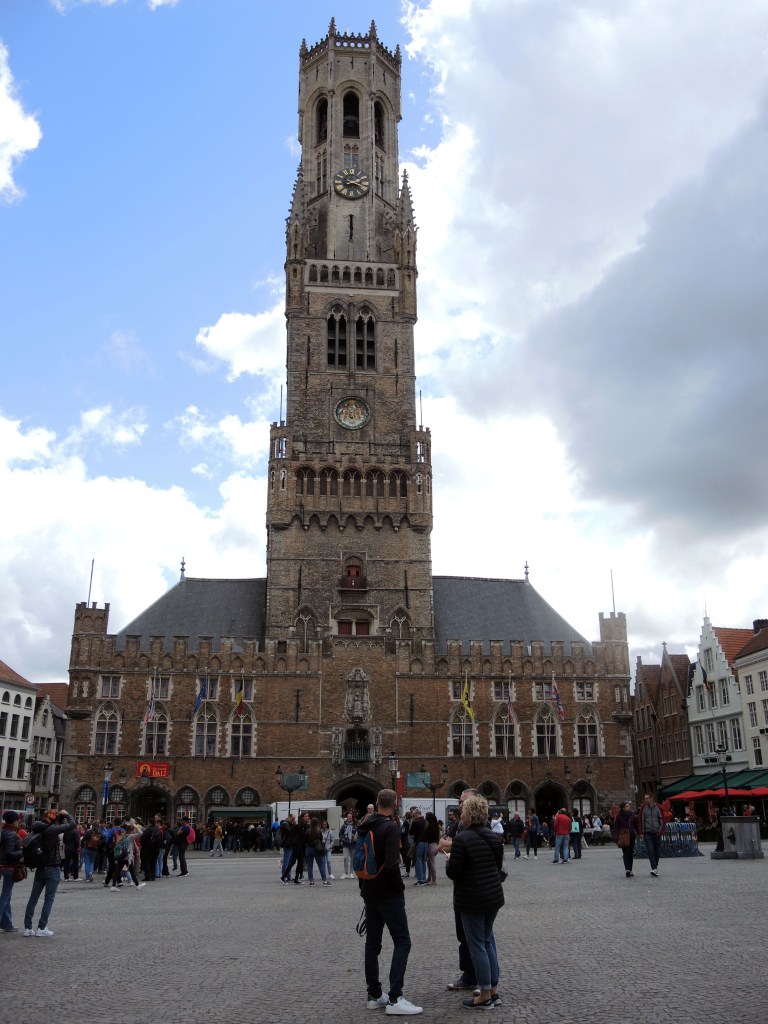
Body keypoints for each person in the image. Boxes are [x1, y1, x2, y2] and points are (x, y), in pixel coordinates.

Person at [358, 788, 422, 1015]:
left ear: (376, 803)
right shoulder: (389, 827)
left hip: (369, 892)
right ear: (395, 805)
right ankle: (395, 998)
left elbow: (362, 859)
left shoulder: (364, 826)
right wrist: (399, 888)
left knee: (372, 946)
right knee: (403, 942)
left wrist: (365, 888)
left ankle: (374, 995)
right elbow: (394, 864)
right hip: (388, 895)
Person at [445, 793, 504, 1010]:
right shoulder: (492, 837)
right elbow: (496, 866)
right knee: (487, 941)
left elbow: (454, 873)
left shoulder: (462, 839)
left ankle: (484, 996)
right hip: (493, 897)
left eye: (463, 811)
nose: (460, 814)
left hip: (472, 898)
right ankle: (494, 991)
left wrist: (451, 860)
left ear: (470, 815)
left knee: (477, 945)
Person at [437, 787, 480, 993]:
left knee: (480, 938)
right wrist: (456, 844)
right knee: (463, 935)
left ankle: (485, 980)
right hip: (461, 887)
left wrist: (455, 845)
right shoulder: (458, 824)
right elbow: (441, 844)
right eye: (460, 802)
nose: (460, 805)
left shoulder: (481, 826)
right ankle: (470, 975)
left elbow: (452, 845)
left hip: (476, 888)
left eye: (464, 802)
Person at [24, 807, 77, 937]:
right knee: (49, 899)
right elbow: (72, 824)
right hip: (52, 867)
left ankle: (28, 928)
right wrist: (67, 813)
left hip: (40, 866)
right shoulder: (53, 829)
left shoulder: (37, 827)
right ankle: (42, 928)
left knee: (33, 899)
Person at [0, 810, 24, 932]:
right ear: (14, 821)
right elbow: (10, 853)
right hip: (9, 866)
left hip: (5, 866)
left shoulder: (4, 832)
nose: (19, 821)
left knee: (7, 896)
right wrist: (22, 852)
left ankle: (7, 924)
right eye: (17, 819)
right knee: (5, 896)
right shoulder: (10, 834)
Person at [639, 794, 663, 877]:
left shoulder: (659, 807)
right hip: (647, 833)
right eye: (644, 798)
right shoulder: (643, 808)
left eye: (647, 798)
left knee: (656, 852)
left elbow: (662, 819)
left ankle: (655, 867)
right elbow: (640, 819)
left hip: (657, 833)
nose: (645, 800)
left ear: (651, 798)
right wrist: (641, 832)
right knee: (650, 851)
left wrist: (660, 831)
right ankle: (654, 868)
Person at [613, 800, 637, 878]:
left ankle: (630, 869)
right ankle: (627, 869)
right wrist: (616, 837)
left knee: (631, 853)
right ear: (623, 808)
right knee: (626, 853)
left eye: (629, 806)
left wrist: (639, 833)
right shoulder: (619, 816)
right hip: (623, 836)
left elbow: (635, 825)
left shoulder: (632, 815)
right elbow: (616, 827)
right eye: (627, 806)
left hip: (632, 835)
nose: (628, 807)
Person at [304, 817, 330, 885]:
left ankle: (311, 881)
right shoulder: (319, 832)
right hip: (317, 849)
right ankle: (324, 880)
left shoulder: (307, 831)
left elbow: (305, 841)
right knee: (321, 864)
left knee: (309, 866)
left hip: (309, 849)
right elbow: (321, 841)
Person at [409, 809, 427, 886]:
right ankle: (424, 877)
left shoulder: (415, 822)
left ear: (416, 814)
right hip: (426, 843)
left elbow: (411, 832)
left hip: (418, 843)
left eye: (413, 815)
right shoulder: (426, 821)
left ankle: (420, 880)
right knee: (423, 861)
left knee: (418, 860)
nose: (413, 816)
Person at [423, 811, 440, 885]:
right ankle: (429, 878)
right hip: (435, 845)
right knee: (430, 863)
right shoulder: (436, 826)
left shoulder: (429, 827)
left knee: (431, 864)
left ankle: (434, 880)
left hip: (430, 846)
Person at [339, 812, 357, 879]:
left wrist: (355, 838)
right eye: (348, 817)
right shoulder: (344, 826)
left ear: (352, 818)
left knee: (353, 859)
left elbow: (358, 834)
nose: (349, 818)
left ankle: (351, 873)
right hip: (346, 844)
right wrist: (343, 839)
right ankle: (346, 873)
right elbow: (340, 834)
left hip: (353, 844)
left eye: (350, 817)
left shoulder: (355, 826)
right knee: (345, 858)